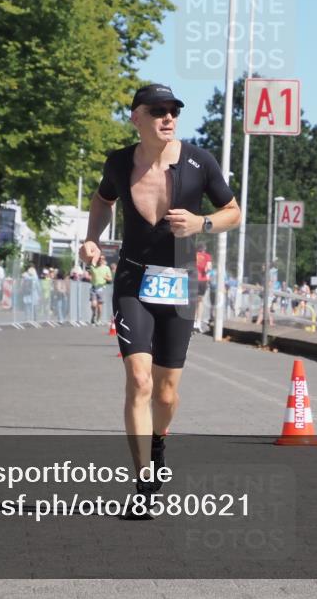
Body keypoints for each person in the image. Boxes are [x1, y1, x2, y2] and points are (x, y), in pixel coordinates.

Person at [79, 83, 240, 513]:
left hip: (180, 283)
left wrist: (202, 223)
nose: (168, 117)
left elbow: (233, 212)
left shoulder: (198, 161)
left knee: (166, 395)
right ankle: (144, 483)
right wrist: (92, 239)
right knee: (139, 381)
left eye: (173, 111)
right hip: (132, 280)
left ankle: (159, 441)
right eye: (158, 111)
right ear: (137, 118)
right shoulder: (119, 163)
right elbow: (102, 200)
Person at [89, 253, 112, 325]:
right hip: (93, 288)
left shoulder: (106, 268)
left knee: (99, 307)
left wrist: (106, 278)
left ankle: (98, 319)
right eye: (99, 258)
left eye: (102, 259)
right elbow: (88, 273)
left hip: (101, 288)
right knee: (93, 305)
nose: (100, 260)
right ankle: (93, 314)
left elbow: (110, 279)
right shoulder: (93, 267)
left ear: (103, 260)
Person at [194, 243, 212, 332]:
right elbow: (208, 268)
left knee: (191, 301)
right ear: (204, 249)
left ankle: (191, 321)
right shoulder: (207, 256)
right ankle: (198, 322)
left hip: (192, 279)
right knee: (200, 301)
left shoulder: (193, 255)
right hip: (202, 280)